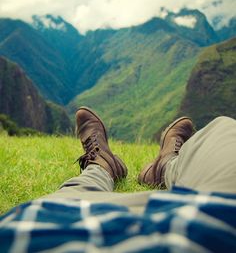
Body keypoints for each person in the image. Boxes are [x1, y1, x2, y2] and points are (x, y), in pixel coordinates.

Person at [0, 106, 236, 252]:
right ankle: (166, 167)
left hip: (50, 228)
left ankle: (101, 166)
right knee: (223, 130)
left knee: (76, 191)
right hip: (217, 215)